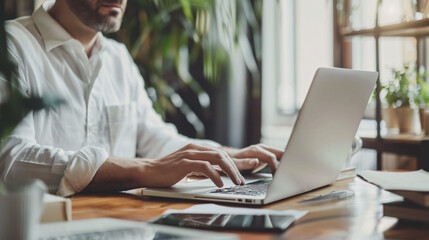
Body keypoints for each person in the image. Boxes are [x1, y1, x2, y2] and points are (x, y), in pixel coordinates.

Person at [0, 0, 282, 197]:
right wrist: (146, 169)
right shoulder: (11, 46)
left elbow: (155, 138)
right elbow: (11, 159)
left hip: (123, 224)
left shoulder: (118, 58)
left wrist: (226, 155)